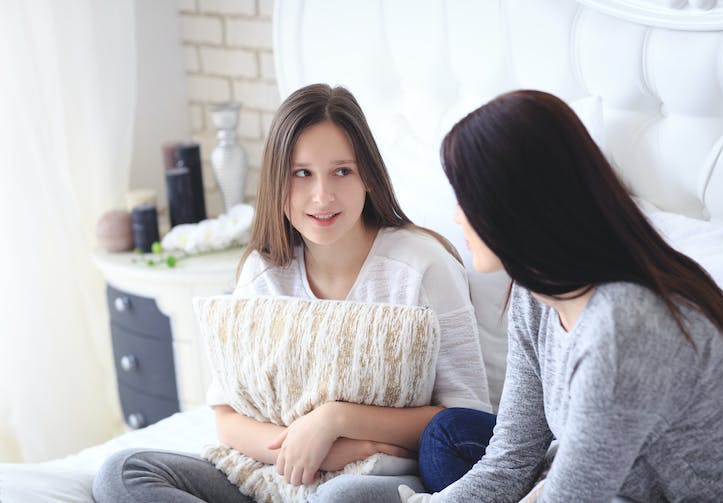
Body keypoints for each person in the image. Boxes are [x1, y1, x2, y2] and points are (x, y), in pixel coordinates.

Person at [92, 83, 491, 503]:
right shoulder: (262, 271)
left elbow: (466, 417)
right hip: (272, 472)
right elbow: (226, 416)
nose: (322, 196)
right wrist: (314, 449)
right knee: (123, 473)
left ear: (369, 177)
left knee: (339, 499)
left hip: (375, 477)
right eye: (302, 174)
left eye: (342, 171)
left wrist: (336, 420)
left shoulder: (421, 266)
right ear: (277, 182)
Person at [400, 90, 723, 502]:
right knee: (436, 443)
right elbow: (510, 461)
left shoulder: (624, 325)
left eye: (467, 197)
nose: (457, 215)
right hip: (604, 481)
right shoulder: (534, 293)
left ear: (513, 203)